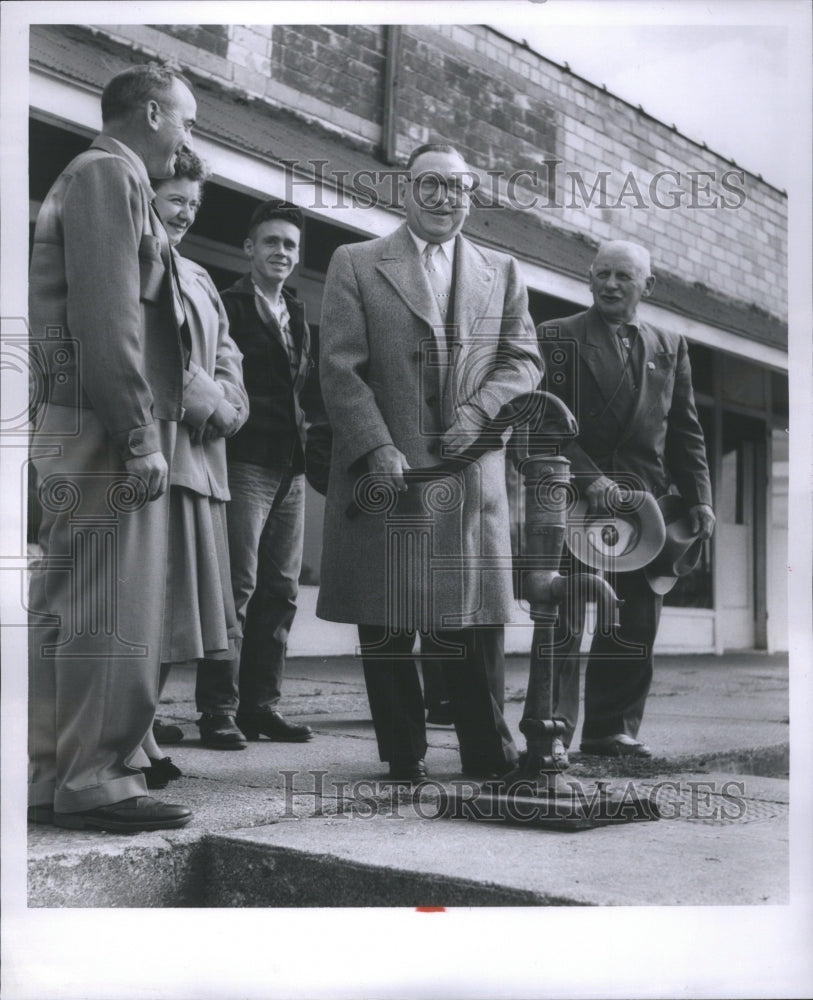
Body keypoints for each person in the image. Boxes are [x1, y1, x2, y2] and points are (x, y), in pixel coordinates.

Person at [316, 142, 542, 781]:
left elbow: (523, 359)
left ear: (472, 196)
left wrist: (479, 412)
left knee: (473, 622)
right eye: (431, 185)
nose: (445, 198)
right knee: (387, 617)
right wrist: (376, 444)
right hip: (387, 471)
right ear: (406, 191)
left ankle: (487, 754)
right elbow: (339, 366)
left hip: (469, 472)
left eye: (458, 187)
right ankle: (403, 756)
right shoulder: (355, 262)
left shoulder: (502, 268)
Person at [28, 63, 197, 831]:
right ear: (154, 112)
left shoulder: (86, 175)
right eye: (186, 123)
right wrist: (139, 433)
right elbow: (110, 320)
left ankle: (48, 771)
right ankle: (93, 777)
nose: (186, 140)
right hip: (104, 426)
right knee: (109, 605)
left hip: (76, 422)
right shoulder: (110, 176)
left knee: (67, 606)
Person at [536, 239, 715, 758]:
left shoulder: (669, 345)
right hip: (573, 502)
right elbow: (545, 420)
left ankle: (610, 730)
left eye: (624, 277)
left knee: (635, 620)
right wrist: (588, 477)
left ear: (647, 286)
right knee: (567, 620)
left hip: (644, 510)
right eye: (603, 274)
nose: (611, 285)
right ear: (590, 278)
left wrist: (700, 497)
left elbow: (685, 429)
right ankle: (553, 733)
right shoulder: (558, 337)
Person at [194, 200, 329, 748]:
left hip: (291, 467)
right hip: (244, 461)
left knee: (281, 591)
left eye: (290, 246)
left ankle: (260, 706)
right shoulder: (226, 305)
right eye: (271, 241)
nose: (281, 252)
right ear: (250, 248)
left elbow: (308, 393)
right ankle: (218, 710)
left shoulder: (297, 312)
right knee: (236, 591)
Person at [139, 150, 249, 785]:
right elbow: (149, 348)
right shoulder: (138, 261)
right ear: (149, 194)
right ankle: (133, 731)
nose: (185, 213)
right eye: (176, 198)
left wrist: (230, 403)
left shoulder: (201, 276)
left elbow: (228, 350)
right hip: (164, 448)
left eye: (193, 204)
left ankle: (145, 721)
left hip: (205, 459)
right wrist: (210, 402)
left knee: (183, 608)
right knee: (149, 603)